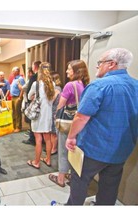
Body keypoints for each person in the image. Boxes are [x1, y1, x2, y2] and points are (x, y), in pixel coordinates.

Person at [65, 48, 138, 205]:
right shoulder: (136, 85)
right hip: (122, 150)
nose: (97, 66)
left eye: (100, 63)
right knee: (110, 185)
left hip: (94, 148)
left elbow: (81, 117)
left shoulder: (99, 86)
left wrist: (71, 137)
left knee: (79, 180)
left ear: (111, 64)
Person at [49, 59, 90, 187]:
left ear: (76, 71)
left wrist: (56, 115)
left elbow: (61, 105)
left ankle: (60, 178)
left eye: (69, 69)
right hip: (79, 124)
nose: (66, 71)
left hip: (66, 124)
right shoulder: (84, 85)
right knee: (74, 150)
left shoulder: (69, 85)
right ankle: (72, 176)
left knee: (63, 150)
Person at [26, 64, 55, 169]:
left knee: (38, 139)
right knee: (47, 139)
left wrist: (34, 96)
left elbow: (29, 96)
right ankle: (48, 159)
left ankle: (36, 162)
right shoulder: (53, 84)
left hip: (38, 115)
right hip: (48, 115)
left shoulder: (36, 84)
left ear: (40, 71)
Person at [22, 60, 42, 145]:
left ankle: (32, 139)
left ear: (35, 67)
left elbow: (29, 91)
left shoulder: (34, 77)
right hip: (43, 104)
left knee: (32, 122)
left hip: (34, 103)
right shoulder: (45, 78)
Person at [49, 73, 63, 155]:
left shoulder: (57, 89)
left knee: (54, 132)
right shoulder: (58, 88)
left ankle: (54, 149)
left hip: (54, 110)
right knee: (52, 132)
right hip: (54, 110)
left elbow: (52, 100)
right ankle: (52, 148)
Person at [10, 66, 25, 133]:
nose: (12, 72)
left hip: (17, 97)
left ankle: (18, 127)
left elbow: (23, 89)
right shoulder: (14, 79)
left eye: (14, 71)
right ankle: (14, 126)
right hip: (12, 97)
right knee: (13, 113)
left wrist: (20, 97)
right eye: (12, 71)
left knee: (17, 113)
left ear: (18, 71)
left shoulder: (20, 79)